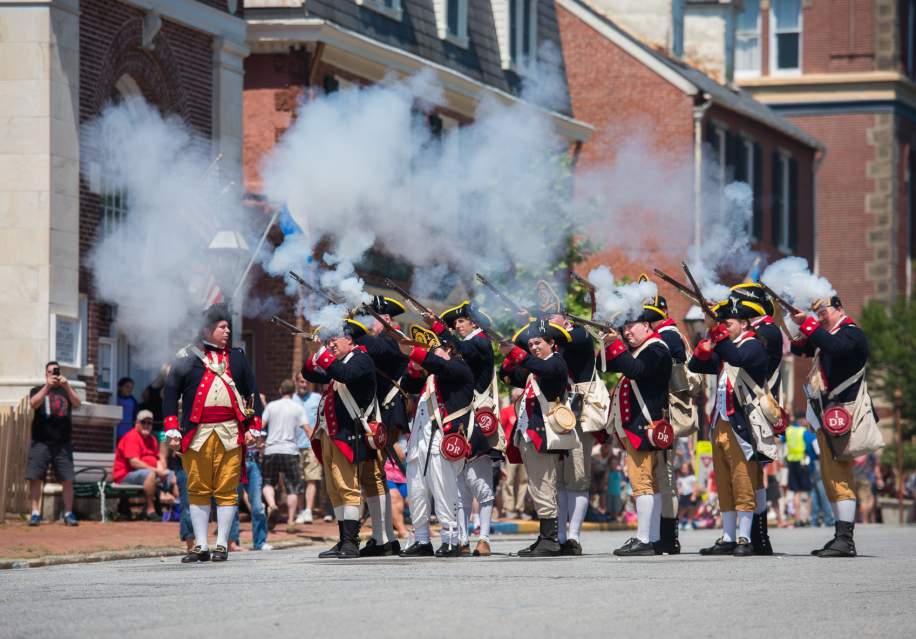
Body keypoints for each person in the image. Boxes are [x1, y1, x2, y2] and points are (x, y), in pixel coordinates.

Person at [163, 303, 264, 563]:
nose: (227, 330)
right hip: (197, 434)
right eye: (222, 326)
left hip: (230, 432)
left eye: (228, 326)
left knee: (227, 488)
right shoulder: (186, 357)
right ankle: (200, 545)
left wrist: (253, 426)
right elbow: (171, 393)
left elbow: (251, 391)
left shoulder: (238, 357)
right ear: (207, 330)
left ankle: (221, 545)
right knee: (197, 487)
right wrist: (172, 427)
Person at [689, 298, 772, 557]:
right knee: (723, 482)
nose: (724, 326)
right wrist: (705, 347)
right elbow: (695, 365)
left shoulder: (754, 346)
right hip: (720, 423)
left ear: (744, 324)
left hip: (742, 425)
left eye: (729, 323)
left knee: (742, 479)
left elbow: (736, 358)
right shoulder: (728, 347)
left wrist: (718, 333)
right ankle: (728, 535)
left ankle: (745, 537)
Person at [791, 294, 871, 557]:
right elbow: (797, 347)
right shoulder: (828, 335)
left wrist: (810, 325)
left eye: (823, 311)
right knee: (830, 477)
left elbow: (835, 347)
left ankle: (845, 539)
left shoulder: (851, 333)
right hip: (828, 413)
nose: (820, 316)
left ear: (839, 309)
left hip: (844, 411)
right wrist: (793, 321)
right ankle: (840, 535)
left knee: (840, 476)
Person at [301, 319, 384, 559]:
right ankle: (343, 539)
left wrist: (321, 353)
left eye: (335, 339)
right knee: (334, 489)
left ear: (349, 339)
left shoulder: (360, 359)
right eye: (328, 341)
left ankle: (351, 541)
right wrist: (312, 351)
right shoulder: (336, 362)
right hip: (330, 432)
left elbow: (345, 375)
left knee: (348, 488)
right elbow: (308, 373)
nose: (331, 344)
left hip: (349, 434)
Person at [398, 328, 475, 558]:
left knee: (444, 491)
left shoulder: (459, 368)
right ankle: (421, 539)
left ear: (448, 349)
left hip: (441, 440)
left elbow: (441, 366)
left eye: (433, 348)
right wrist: (414, 364)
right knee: (417, 492)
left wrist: (416, 352)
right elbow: (408, 384)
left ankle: (451, 539)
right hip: (419, 441)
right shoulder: (432, 375)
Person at [603, 311, 673, 556]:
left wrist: (616, 345)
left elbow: (636, 371)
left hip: (645, 425)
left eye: (631, 327)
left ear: (646, 325)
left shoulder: (657, 349)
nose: (627, 332)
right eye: (624, 329)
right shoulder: (640, 349)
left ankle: (643, 538)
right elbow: (608, 365)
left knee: (641, 483)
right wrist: (606, 341)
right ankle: (651, 538)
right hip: (639, 425)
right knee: (647, 484)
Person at [499, 320, 572, 557]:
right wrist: (509, 355)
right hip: (530, 435)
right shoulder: (535, 368)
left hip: (543, 435)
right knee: (538, 486)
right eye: (530, 344)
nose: (533, 347)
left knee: (543, 486)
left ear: (552, 343)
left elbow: (547, 371)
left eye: (538, 343)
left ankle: (550, 539)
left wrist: (517, 353)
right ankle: (546, 537)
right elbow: (507, 376)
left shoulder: (556, 362)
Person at [432, 301, 498, 557]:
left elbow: (460, 349)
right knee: (458, 485)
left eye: (461, 321)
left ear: (474, 322)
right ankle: (462, 538)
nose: (457, 325)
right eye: (455, 323)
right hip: (460, 417)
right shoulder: (466, 344)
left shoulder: (480, 341)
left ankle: (484, 538)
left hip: (477, 418)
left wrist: (438, 327)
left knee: (480, 483)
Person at [729, 282, 784, 553]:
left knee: (752, 472)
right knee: (755, 474)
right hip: (747, 405)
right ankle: (759, 536)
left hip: (756, 406)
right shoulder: (759, 329)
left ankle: (756, 536)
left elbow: (743, 354)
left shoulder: (767, 330)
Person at [643, 290, 698, 554]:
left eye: (650, 318)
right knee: (660, 477)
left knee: (664, 477)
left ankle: (667, 537)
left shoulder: (667, 336)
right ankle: (663, 536)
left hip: (664, 414)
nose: (647, 323)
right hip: (659, 413)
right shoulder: (670, 334)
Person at [354, 296, 409, 556]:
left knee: (377, 478)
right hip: (375, 414)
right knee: (375, 478)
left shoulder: (393, 339)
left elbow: (372, 348)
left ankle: (384, 537)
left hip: (387, 413)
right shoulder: (380, 339)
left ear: (385, 319)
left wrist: (353, 329)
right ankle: (383, 536)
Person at [545, 311, 601, 557]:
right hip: (555, 412)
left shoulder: (580, 335)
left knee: (577, 476)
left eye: (551, 316)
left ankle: (574, 536)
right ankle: (559, 536)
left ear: (566, 319)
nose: (546, 321)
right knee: (557, 478)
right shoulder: (551, 339)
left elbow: (569, 339)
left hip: (579, 413)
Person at [26, 361, 81, 526]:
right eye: (50, 372)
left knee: (67, 478)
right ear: (46, 374)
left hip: (62, 442)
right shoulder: (38, 390)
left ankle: (69, 513)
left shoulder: (66, 390)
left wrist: (67, 386)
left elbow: (77, 404)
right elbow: (34, 404)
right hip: (41, 441)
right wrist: (47, 388)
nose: (53, 374)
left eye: (55, 371)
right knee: (35, 477)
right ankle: (35, 512)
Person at [261, 379, 309, 533]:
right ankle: (290, 521)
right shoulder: (298, 407)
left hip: (271, 449)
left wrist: (259, 442)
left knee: (268, 482)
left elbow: (260, 426)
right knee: (292, 488)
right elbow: (307, 429)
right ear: (293, 392)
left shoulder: (271, 406)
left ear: (280, 390)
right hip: (290, 450)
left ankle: (273, 505)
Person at [113, 410, 176, 520]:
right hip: (125, 475)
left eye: (149, 423)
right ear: (137, 423)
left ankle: (182, 509)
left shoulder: (152, 439)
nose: (146, 425)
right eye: (144, 422)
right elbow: (134, 462)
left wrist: (162, 470)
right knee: (150, 474)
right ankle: (150, 511)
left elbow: (157, 459)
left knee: (174, 476)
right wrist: (157, 471)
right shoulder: (132, 437)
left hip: (147, 472)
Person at [293, 376, 323, 525]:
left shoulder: (317, 398)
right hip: (294, 446)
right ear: (296, 382)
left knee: (311, 479)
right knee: (298, 481)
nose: (303, 384)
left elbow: (322, 420)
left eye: (306, 382)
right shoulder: (291, 400)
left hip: (311, 445)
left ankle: (308, 511)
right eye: (300, 381)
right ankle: (299, 511)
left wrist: (319, 443)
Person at [498, 389, 529, 519]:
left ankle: (520, 508)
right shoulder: (506, 411)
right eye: (517, 395)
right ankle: (508, 507)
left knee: (524, 480)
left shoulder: (527, 411)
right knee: (509, 479)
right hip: (511, 449)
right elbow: (501, 430)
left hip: (525, 449)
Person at [806, 426, 835, 528]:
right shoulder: (815, 437)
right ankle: (829, 519)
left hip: (810, 467)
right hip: (818, 465)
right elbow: (820, 453)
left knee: (814, 493)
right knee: (823, 493)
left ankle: (814, 519)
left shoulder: (806, 435)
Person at [784, 420, 811, 526]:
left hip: (791, 462)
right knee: (806, 491)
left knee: (795, 492)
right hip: (802, 462)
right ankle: (806, 518)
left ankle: (797, 519)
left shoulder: (788, 430)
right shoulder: (803, 431)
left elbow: (781, 441)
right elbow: (808, 446)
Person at [114, 377, 139, 442]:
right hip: (115, 435)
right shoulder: (114, 399)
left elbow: (136, 418)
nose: (129, 390)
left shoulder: (133, 401)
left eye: (131, 388)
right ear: (120, 387)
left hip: (128, 435)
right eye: (127, 387)